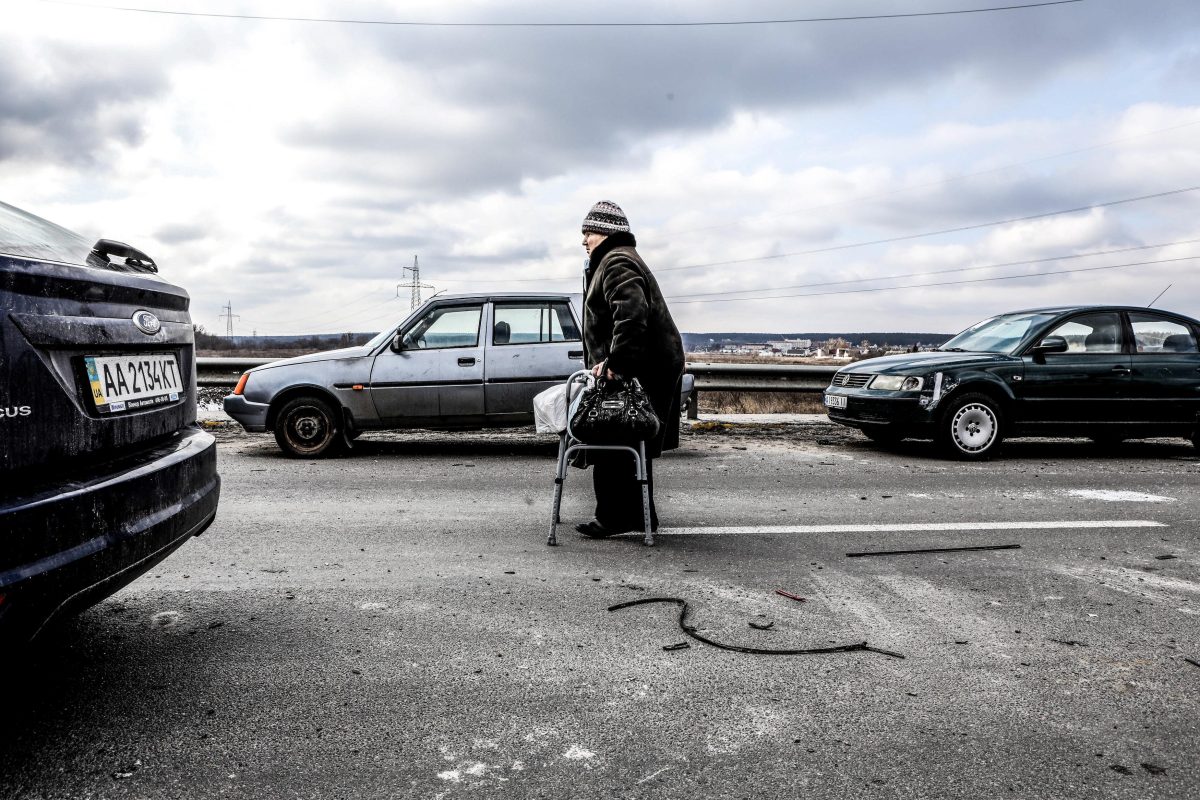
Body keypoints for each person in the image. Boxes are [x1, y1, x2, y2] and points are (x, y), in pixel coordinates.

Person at [575, 201, 685, 537]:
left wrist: (617, 365)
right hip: (644, 364)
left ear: (606, 232)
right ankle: (633, 515)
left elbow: (631, 317)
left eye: (588, 232)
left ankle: (614, 517)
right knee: (627, 442)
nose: (583, 240)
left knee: (614, 439)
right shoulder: (613, 260)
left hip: (640, 366)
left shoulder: (617, 261)